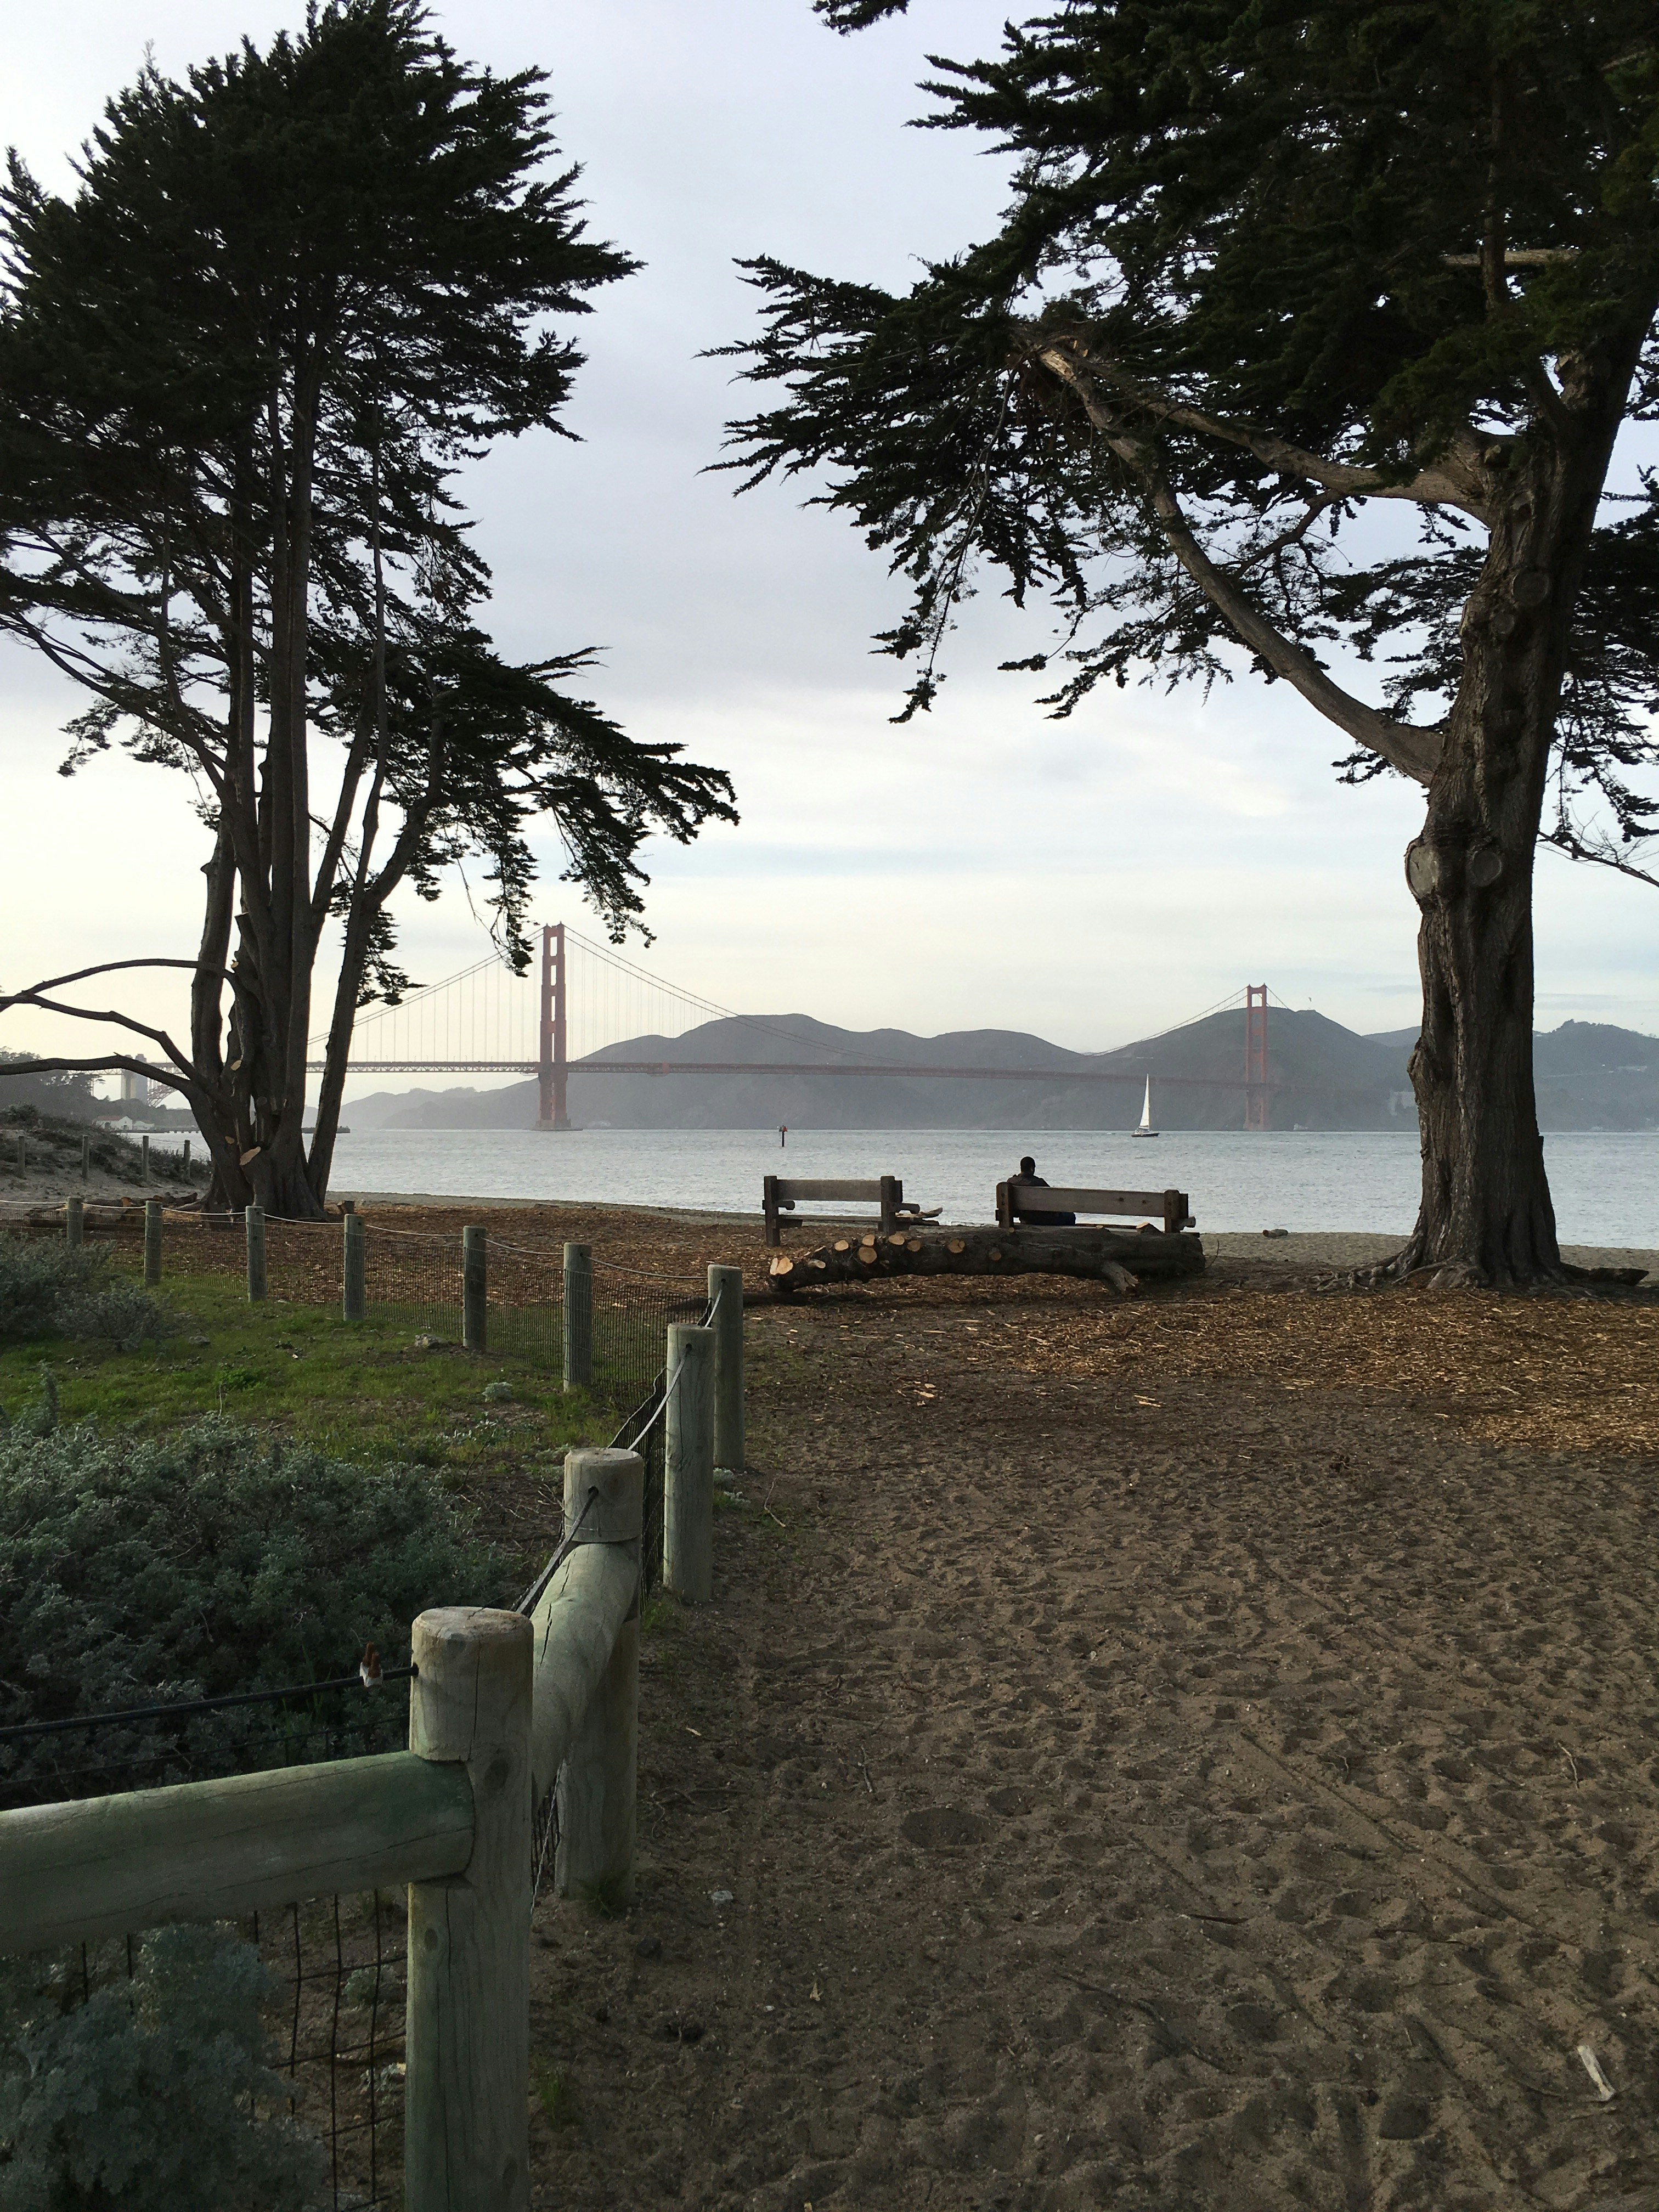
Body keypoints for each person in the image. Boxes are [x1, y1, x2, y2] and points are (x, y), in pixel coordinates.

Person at [1008, 1154, 1075, 1226]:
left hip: (1026, 1218)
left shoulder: (1011, 1182)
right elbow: (1053, 1199)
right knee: (1071, 1216)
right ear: (1032, 1169)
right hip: (1043, 1219)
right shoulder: (1039, 1183)